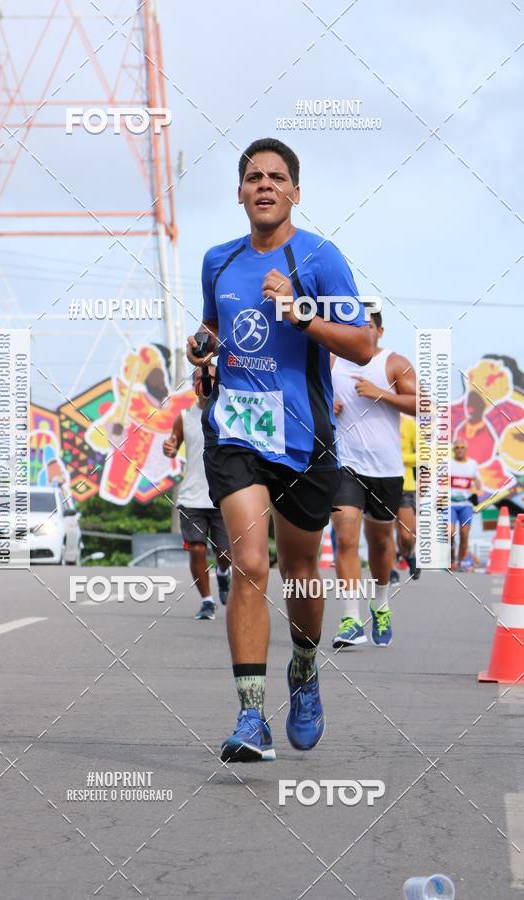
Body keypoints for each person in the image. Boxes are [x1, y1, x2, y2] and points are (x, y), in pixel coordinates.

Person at [187, 137, 372, 763]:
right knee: (249, 564)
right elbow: (214, 326)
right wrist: (202, 348)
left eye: (276, 176)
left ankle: (304, 669)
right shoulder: (218, 261)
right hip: (237, 430)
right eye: (253, 177)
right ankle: (250, 717)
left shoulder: (320, 258)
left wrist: (300, 316)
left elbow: (362, 345)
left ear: (295, 191)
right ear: (239, 193)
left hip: (304, 437)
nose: (264, 184)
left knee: (299, 571)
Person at [330, 311, 416, 649]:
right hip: (345, 466)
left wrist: (381, 393)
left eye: (368, 325)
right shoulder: (332, 361)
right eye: (356, 325)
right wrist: (325, 405)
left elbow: (423, 404)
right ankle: (351, 619)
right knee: (346, 538)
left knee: (380, 544)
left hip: (386, 471)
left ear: (379, 330)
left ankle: (380, 605)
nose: (362, 330)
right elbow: (304, 396)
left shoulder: (394, 363)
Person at [163, 366, 231, 619]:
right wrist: (169, 448)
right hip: (192, 497)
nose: (205, 382)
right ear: (194, 385)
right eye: (200, 379)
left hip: (223, 495)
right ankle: (207, 601)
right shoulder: (184, 417)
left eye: (210, 378)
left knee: (225, 554)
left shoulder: (230, 413)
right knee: (197, 549)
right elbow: (172, 444)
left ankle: (223, 572)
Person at [390, 415, 420, 583]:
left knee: (406, 535)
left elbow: (424, 455)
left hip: (405, 486)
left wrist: (402, 458)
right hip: (379, 484)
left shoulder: (409, 425)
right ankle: (391, 570)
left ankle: (409, 555)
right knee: (384, 532)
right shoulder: (376, 421)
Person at [450, 440, 481, 570]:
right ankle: (451, 557)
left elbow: (478, 484)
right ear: (453, 450)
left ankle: (462, 561)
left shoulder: (472, 464)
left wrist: (477, 484)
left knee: (464, 534)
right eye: (457, 447)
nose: (459, 449)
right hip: (450, 504)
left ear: (466, 449)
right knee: (449, 532)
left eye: (462, 447)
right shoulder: (448, 463)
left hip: (466, 505)